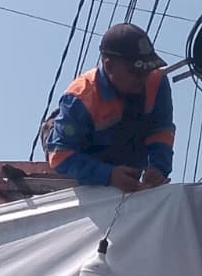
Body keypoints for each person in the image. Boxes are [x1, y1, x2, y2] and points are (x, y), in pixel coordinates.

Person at [44, 23, 176, 193]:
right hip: (84, 154)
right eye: (135, 72)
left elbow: (161, 131)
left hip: (126, 156)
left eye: (147, 70)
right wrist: (108, 175)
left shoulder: (156, 82)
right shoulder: (80, 99)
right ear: (109, 65)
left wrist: (158, 167)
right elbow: (60, 155)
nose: (143, 78)